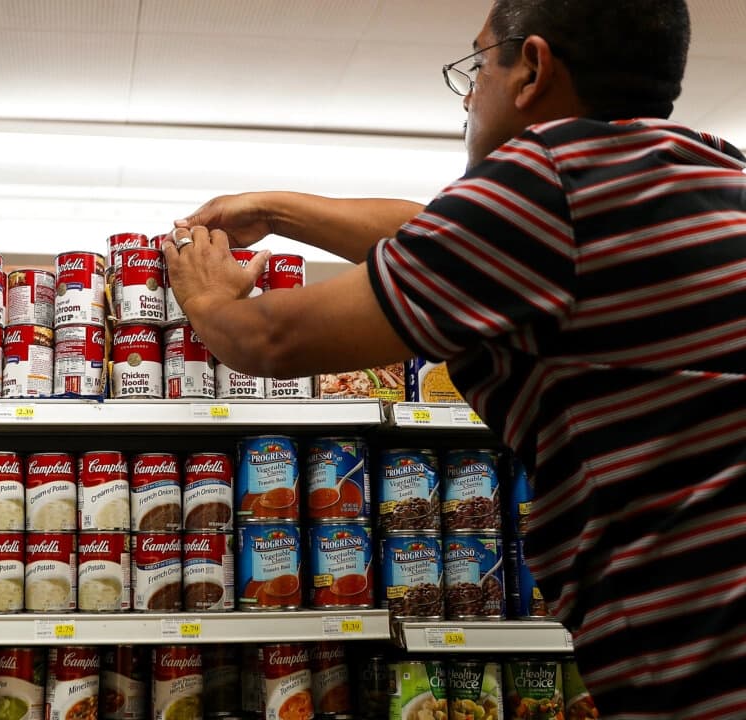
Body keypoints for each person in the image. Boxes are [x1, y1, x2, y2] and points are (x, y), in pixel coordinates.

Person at [161, 0, 745, 717]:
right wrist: (278, 210)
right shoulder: (707, 166)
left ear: (531, 67)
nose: (468, 97)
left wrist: (206, 294)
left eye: (477, 66)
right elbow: (444, 237)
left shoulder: (547, 177)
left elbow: (270, 340)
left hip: (702, 650)